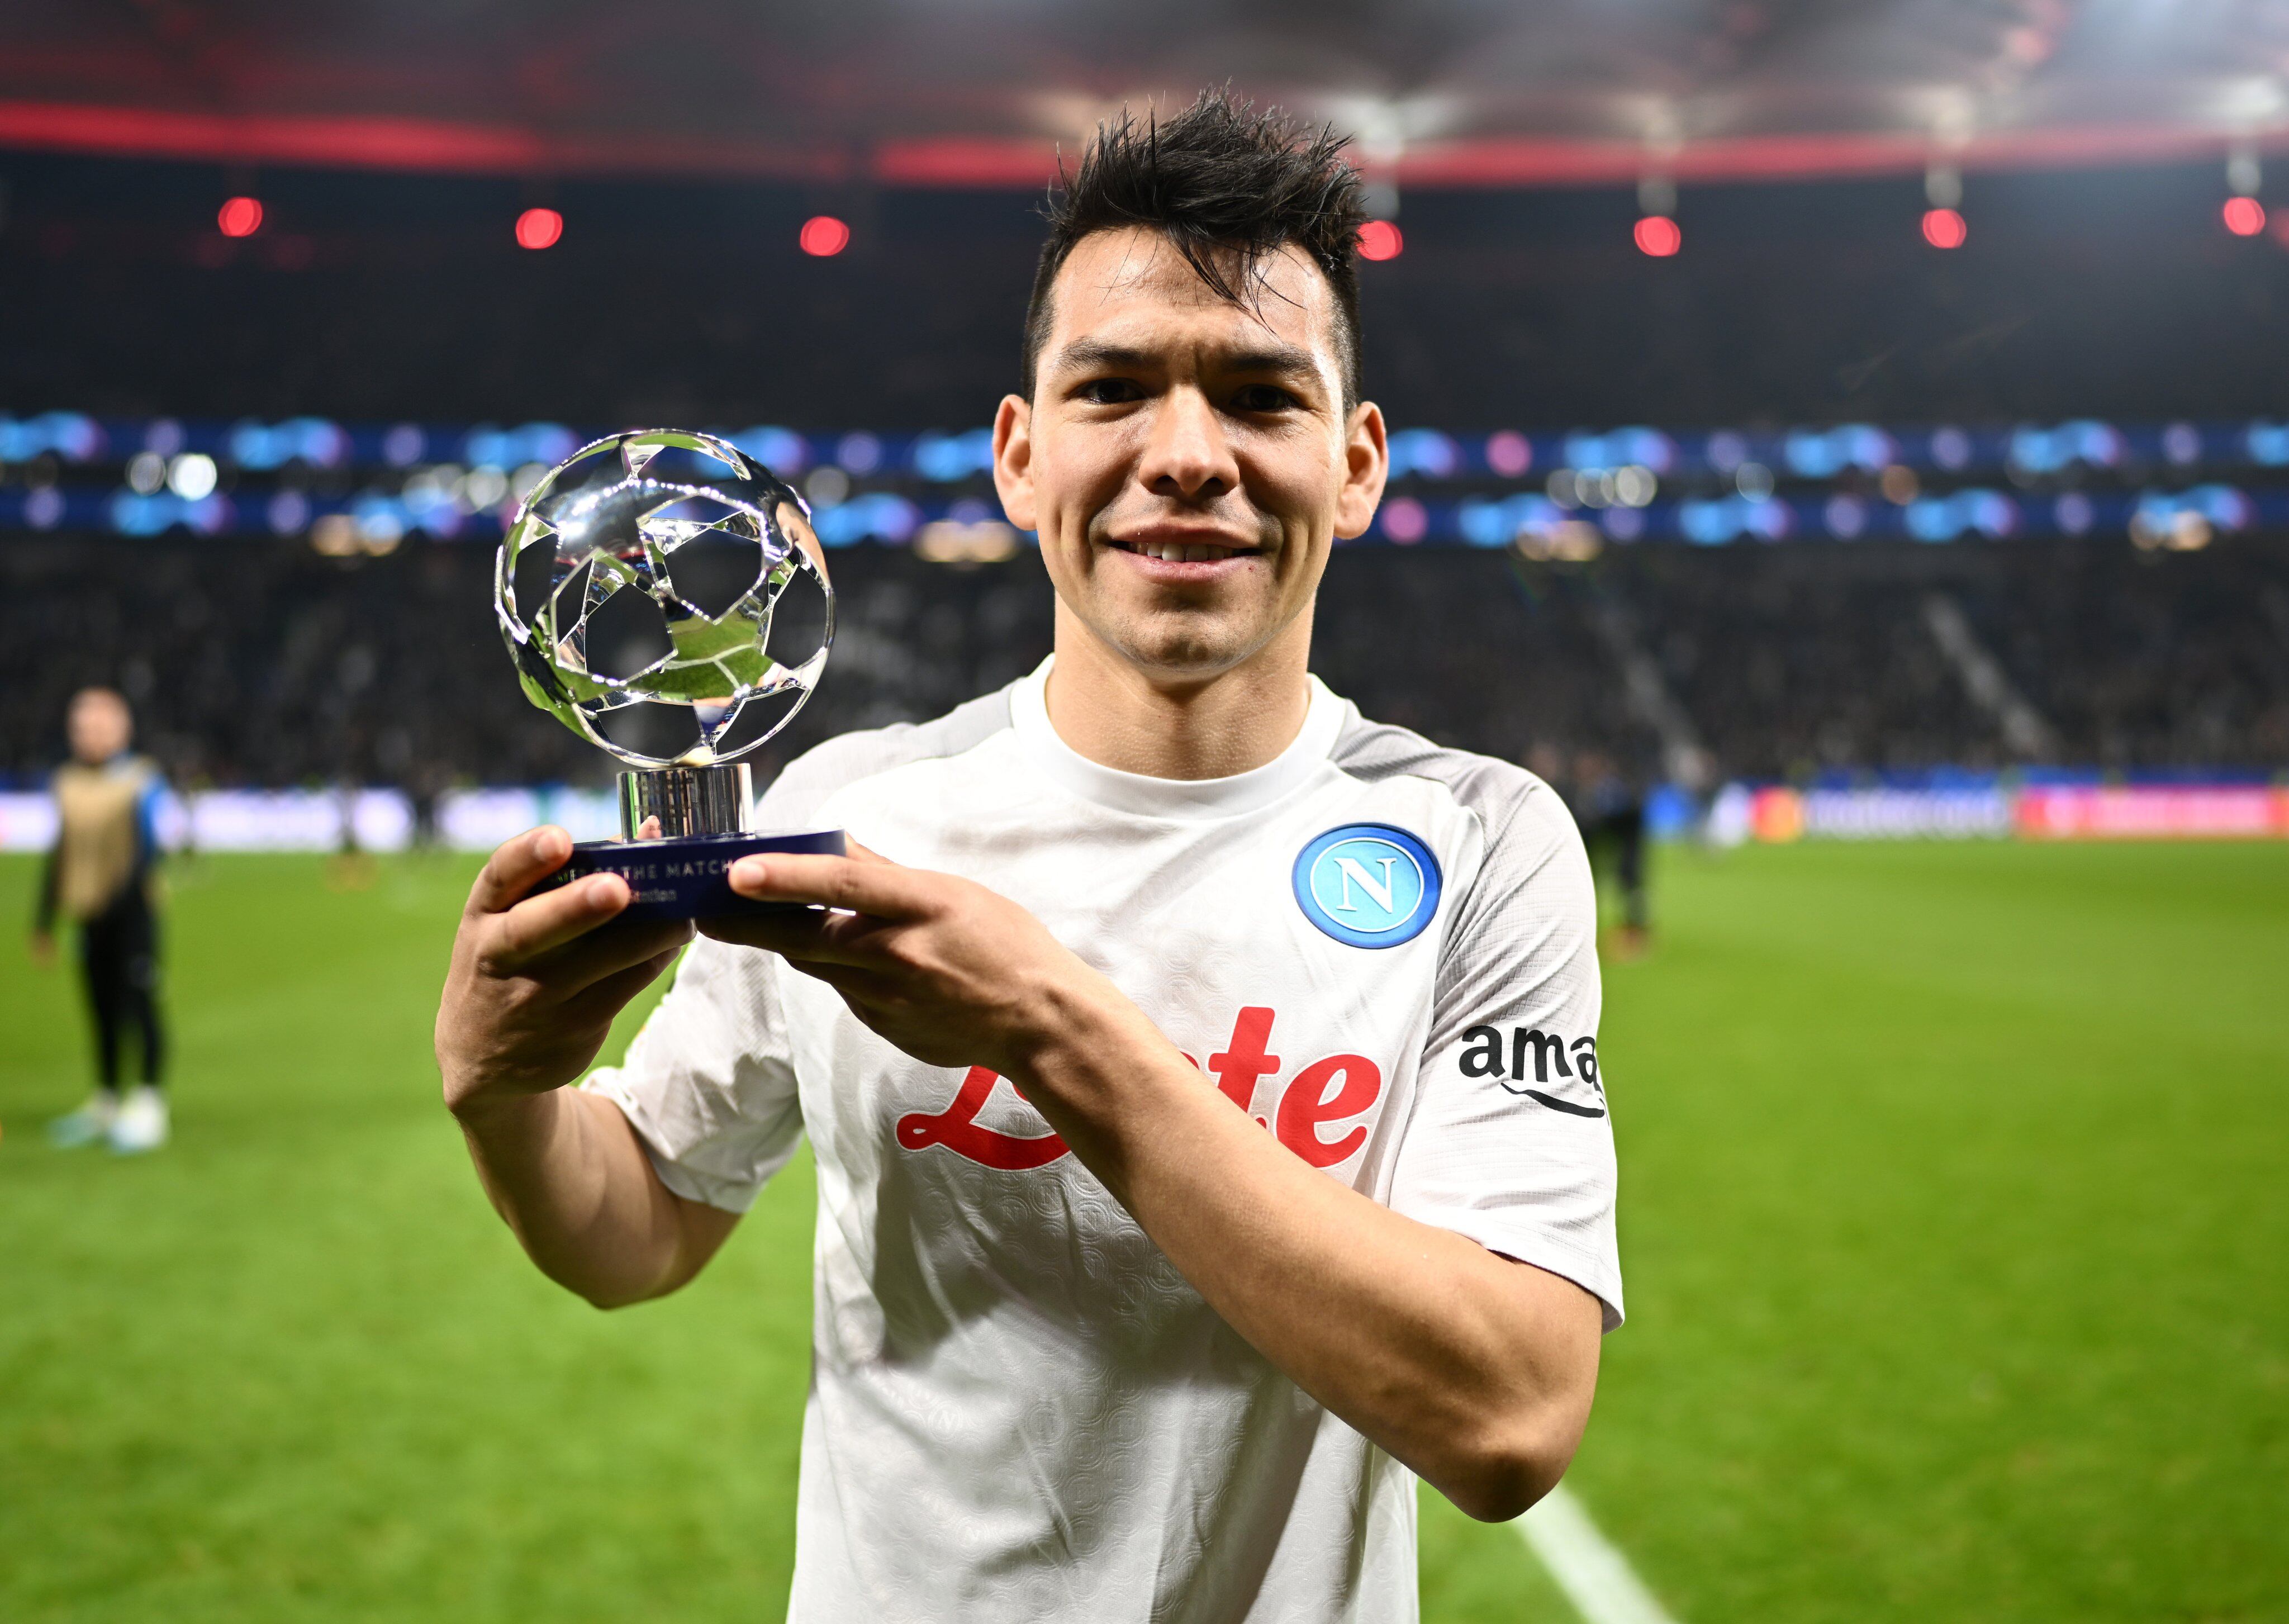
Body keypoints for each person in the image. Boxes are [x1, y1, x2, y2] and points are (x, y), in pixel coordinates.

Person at [435, 93, 1620, 1622]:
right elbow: (641, 1226)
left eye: (1261, 396)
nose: (1184, 455)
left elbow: (1510, 1415)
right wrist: (507, 1097)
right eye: (1112, 389)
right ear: (1019, 454)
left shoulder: (1482, 839)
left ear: (1355, 462)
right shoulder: (853, 809)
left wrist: (1047, 1025)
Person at [34, 687, 171, 1153]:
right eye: (82, 727)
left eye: (99, 726)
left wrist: (115, 904)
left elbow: (148, 852)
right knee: (100, 1010)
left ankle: (149, 1102)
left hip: (133, 917)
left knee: (140, 1004)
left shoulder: (141, 780)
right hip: (89, 917)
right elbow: (61, 853)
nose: (90, 735)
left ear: (121, 729)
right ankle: (107, 1100)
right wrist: (44, 922)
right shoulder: (67, 782)